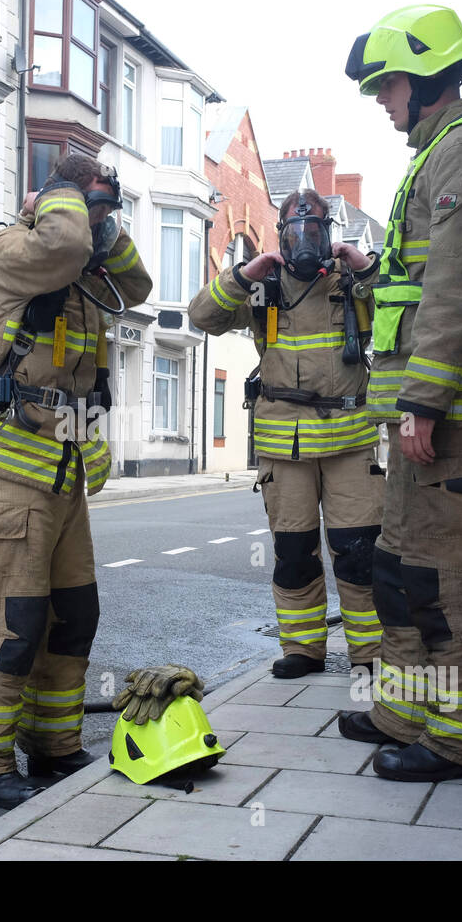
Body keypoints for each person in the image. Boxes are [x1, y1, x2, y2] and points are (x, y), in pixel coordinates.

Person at [340, 4, 462, 782]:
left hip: (448, 415)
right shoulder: (441, 153)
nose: (383, 103)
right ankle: (406, 709)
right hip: (428, 413)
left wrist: (423, 401)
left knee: (448, 577)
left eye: (388, 87)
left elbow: (456, 285)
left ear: (425, 81)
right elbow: (419, 285)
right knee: (403, 567)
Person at [0, 154, 152, 809]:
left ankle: (54, 745)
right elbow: (63, 241)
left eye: (102, 214)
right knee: (13, 624)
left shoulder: (81, 271)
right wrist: (67, 201)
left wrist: (108, 225)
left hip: (60, 479)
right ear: (59, 202)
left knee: (71, 618)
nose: (93, 228)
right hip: (4, 473)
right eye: (88, 209)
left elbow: (140, 287)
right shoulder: (13, 251)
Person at [189, 189, 385, 679]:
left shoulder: (351, 281)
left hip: (349, 437)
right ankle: (302, 648)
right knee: (293, 552)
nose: (305, 239)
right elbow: (201, 317)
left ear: (330, 234)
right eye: (295, 230)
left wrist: (365, 268)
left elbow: (405, 309)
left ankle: (371, 653)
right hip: (285, 442)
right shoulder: (264, 285)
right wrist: (242, 274)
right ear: (280, 236)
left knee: (359, 550)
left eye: (315, 229)